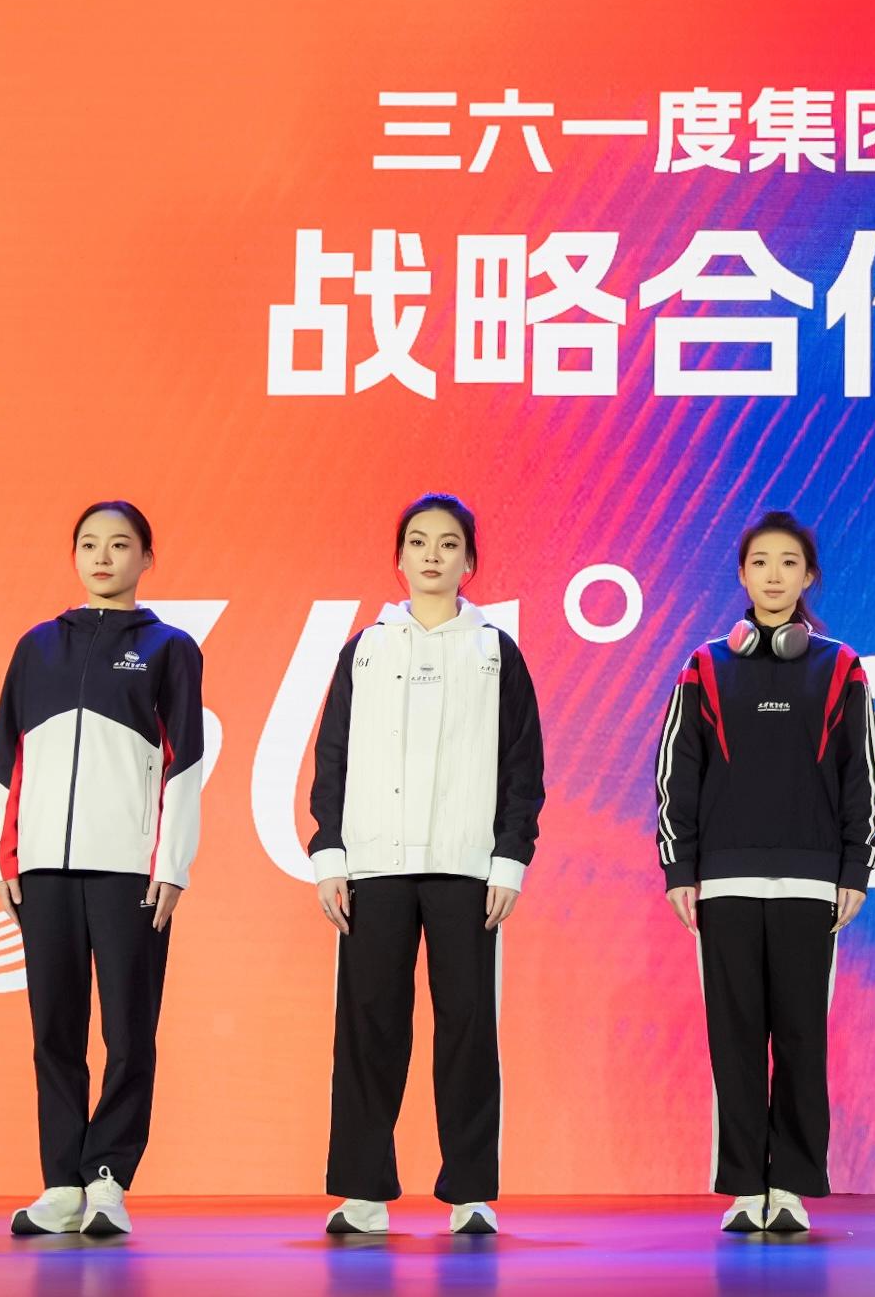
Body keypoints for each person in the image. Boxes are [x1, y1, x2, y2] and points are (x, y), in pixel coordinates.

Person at [308, 493, 546, 1238]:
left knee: (468, 1028)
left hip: (466, 868)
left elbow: (523, 765)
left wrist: (509, 858)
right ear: (400, 558)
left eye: (448, 543)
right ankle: (362, 1194)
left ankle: (470, 1193)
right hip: (374, 866)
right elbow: (333, 755)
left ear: (469, 561)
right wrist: (329, 852)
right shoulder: (367, 648)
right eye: (419, 541)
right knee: (369, 1027)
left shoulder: (494, 651)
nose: (433, 555)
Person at [653, 510, 875, 1233]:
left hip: (811, 884)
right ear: (742, 575)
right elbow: (677, 774)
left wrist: (855, 868)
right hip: (724, 883)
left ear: (808, 576)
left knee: (802, 1039)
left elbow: (862, 776)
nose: (774, 575)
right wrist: (679, 868)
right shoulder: (704, 666)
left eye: (789, 562)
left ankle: (791, 1187)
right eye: (760, 562)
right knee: (736, 1042)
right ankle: (743, 1188)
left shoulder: (841, 667)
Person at [0, 500, 205, 1237]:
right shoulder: (36, 647)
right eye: (88, 544)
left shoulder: (170, 648)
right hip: (44, 867)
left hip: (129, 871)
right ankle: (60, 1183)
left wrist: (171, 863)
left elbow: (184, 764)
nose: (102, 557)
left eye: (119, 545)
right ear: (74, 555)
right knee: (54, 1027)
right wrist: (1, 857)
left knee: (129, 1030)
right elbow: (3, 758)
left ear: (147, 558)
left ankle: (107, 1178)